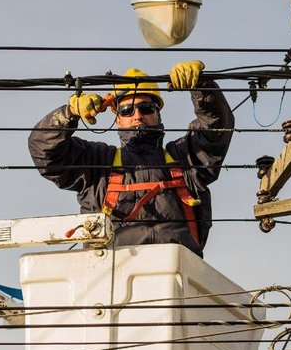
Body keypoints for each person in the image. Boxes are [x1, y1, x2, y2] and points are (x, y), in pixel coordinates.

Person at [28, 61, 234, 257]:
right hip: (113, 282)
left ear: (158, 115)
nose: (137, 115)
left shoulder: (185, 158)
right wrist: (69, 114)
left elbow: (216, 129)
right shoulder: (99, 164)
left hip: (179, 280)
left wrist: (203, 87)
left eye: (146, 108)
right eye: (127, 110)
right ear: (117, 118)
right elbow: (43, 149)